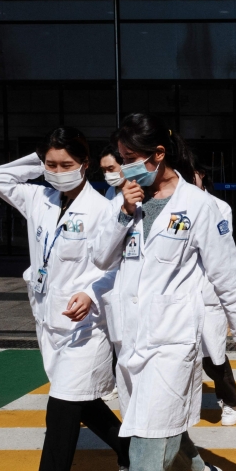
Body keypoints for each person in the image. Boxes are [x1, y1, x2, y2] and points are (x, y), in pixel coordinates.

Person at [91, 113, 236, 471]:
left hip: (172, 340)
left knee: (145, 440)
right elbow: (100, 257)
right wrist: (123, 213)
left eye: (128, 161)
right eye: (119, 162)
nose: (122, 171)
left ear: (158, 155)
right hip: (130, 337)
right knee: (154, 426)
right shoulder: (121, 199)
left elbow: (226, 271)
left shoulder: (199, 206)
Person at [0, 127, 131, 471]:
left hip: (86, 327)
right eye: (51, 165)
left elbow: (115, 266)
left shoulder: (104, 210)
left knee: (61, 411)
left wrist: (90, 292)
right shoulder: (38, 198)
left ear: (85, 165)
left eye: (66, 165)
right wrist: (37, 159)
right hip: (49, 322)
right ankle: (130, 453)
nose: (57, 172)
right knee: (81, 400)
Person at [195, 163, 236, 425]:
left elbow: (222, 254)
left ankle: (230, 401)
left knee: (213, 356)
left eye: (193, 174)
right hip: (179, 295)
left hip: (208, 293)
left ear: (202, 174)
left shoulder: (220, 207)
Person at [97, 145, 125, 402]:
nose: (108, 174)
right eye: (104, 170)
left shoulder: (138, 193)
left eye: (111, 168)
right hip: (108, 270)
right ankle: (113, 379)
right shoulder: (109, 192)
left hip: (127, 272)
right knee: (111, 330)